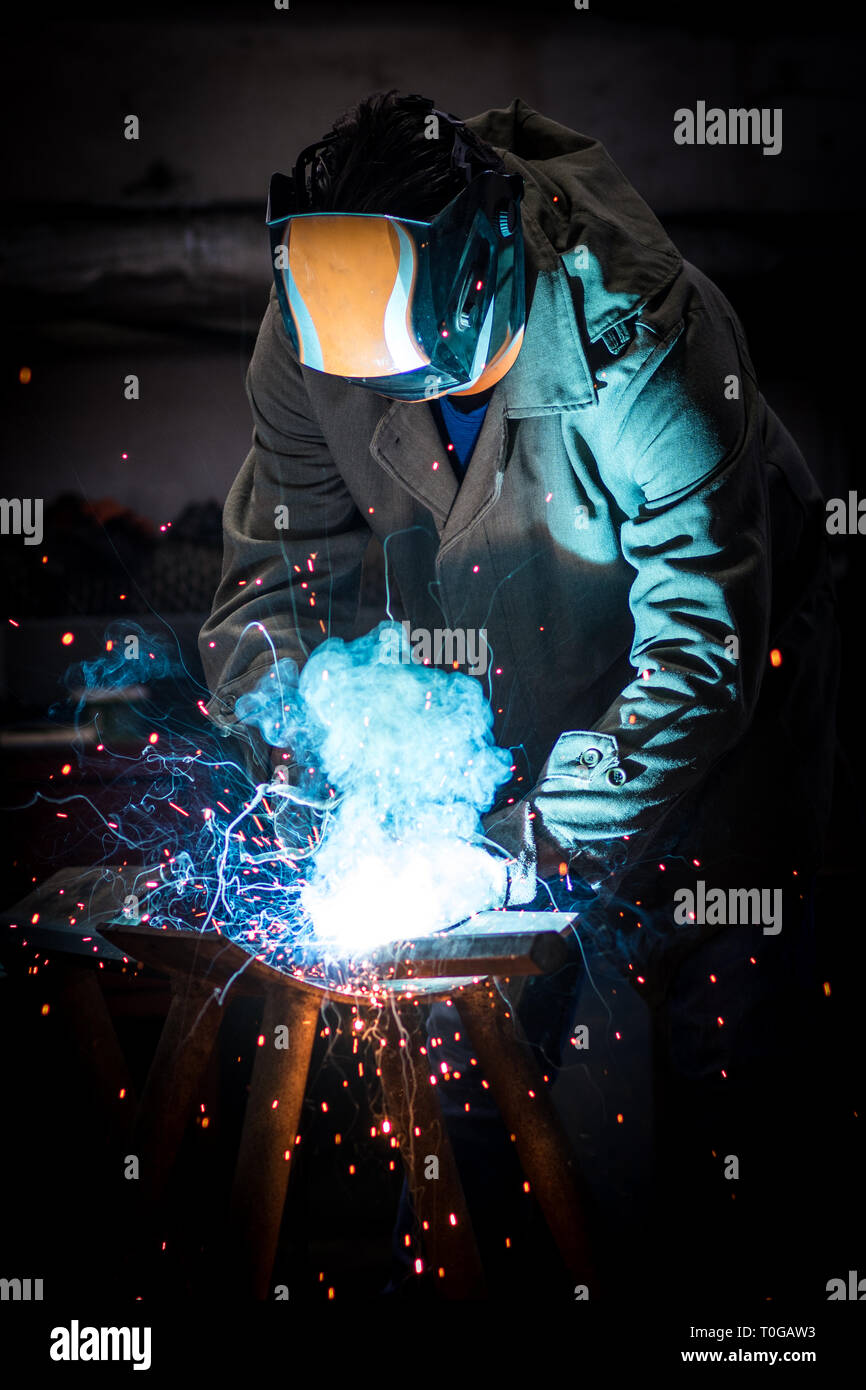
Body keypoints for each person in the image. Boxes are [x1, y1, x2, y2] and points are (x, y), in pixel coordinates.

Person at [199, 90, 840, 1301]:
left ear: (488, 266)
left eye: (412, 374)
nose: (379, 396)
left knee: (716, 1044)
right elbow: (277, 586)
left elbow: (700, 663)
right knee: (482, 1052)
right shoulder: (311, 330)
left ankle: (739, 1313)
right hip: (499, 680)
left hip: (710, 702)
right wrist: (302, 757)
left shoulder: (646, 342)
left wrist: (527, 839)